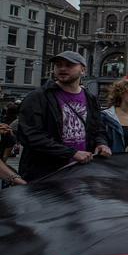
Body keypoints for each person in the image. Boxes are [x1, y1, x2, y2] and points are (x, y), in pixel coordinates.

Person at [17, 51, 111, 182]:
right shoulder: (38, 97)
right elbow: (31, 135)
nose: (62, 68)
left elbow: (98, 128)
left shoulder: (90, 98)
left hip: (81, 172)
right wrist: (71, 153)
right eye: (58, 65)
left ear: (83, 70)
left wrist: (102, 143)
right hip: (46, 174)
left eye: (69, 65)